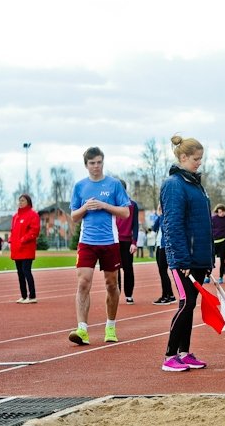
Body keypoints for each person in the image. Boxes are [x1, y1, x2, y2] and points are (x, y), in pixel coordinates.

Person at [160, 134, 212, 372]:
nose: (199, 162)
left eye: (201, 158)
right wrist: (181, 259)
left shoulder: (195, 185)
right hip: (182, 259)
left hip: (198, 258)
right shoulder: (174, 185)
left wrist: (207, 260)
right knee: (185, 302)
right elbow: (172, 224)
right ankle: (170, 355)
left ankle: (184, 352)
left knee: (191, 305)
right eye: (196, 159)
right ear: (183, 157)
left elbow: (203, 224)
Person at [69, 147, 130, 345]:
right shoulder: (80, 186)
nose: (96, 166)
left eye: (99, 162)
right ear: (86, 165)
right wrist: (85, 207)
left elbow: (125, 213)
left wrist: (104, 205)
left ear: (103, 162)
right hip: (87, 241)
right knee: (83, 282)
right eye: (92, 163)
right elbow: (74, 217)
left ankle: (110, 326)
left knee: (111, 284)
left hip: (109, 242)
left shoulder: (113, 185)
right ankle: (82, 330)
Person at [10, 194, 41, 304]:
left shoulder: (33, 215)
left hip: (27, 248)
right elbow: (13, 231)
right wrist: (11, 240)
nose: (20, 202)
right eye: (19, 201)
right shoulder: (15, 216)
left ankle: (32, 296)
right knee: (19, 273)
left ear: (28, 202)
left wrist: (23, 239)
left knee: (26, 271)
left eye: (23, 200)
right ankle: (23, 296)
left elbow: (34, 231)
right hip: (17, 249)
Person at [116, 180, 139, 305]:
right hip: (114, 241)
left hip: (127, 242)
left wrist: (134, 242)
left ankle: (129, 294)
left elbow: (135, 225)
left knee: (128, 269)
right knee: (114, 270)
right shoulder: (111, 204)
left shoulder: (132, 205)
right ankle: (116, 293)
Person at [152, 205, 175, 305]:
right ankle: (170, 295)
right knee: (162, 272)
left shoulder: (166, 217)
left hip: (164, 246)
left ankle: (166, 296)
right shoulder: (160, 217)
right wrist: (158, 215)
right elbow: (154, 228)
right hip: (159, 246)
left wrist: (161, 215)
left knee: (163, 271)